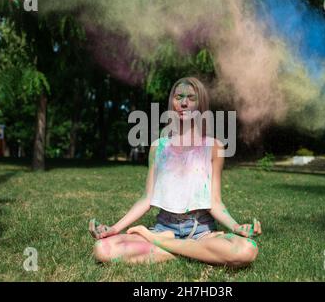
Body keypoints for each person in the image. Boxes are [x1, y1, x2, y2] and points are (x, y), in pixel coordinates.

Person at [89, 77, 262, 267]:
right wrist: (114, 228)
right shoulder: (158, 147)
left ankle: (163, 246)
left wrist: (237, 227)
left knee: (248, 249)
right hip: (164, 228)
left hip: (202, 232)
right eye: (179, 97)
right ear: (172, 102)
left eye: (191, 98)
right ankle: (194, 252)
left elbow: (215, 202)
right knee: (102, 249)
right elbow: (146, 199)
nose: (184, 103)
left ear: (200, 104)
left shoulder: (214, 147)